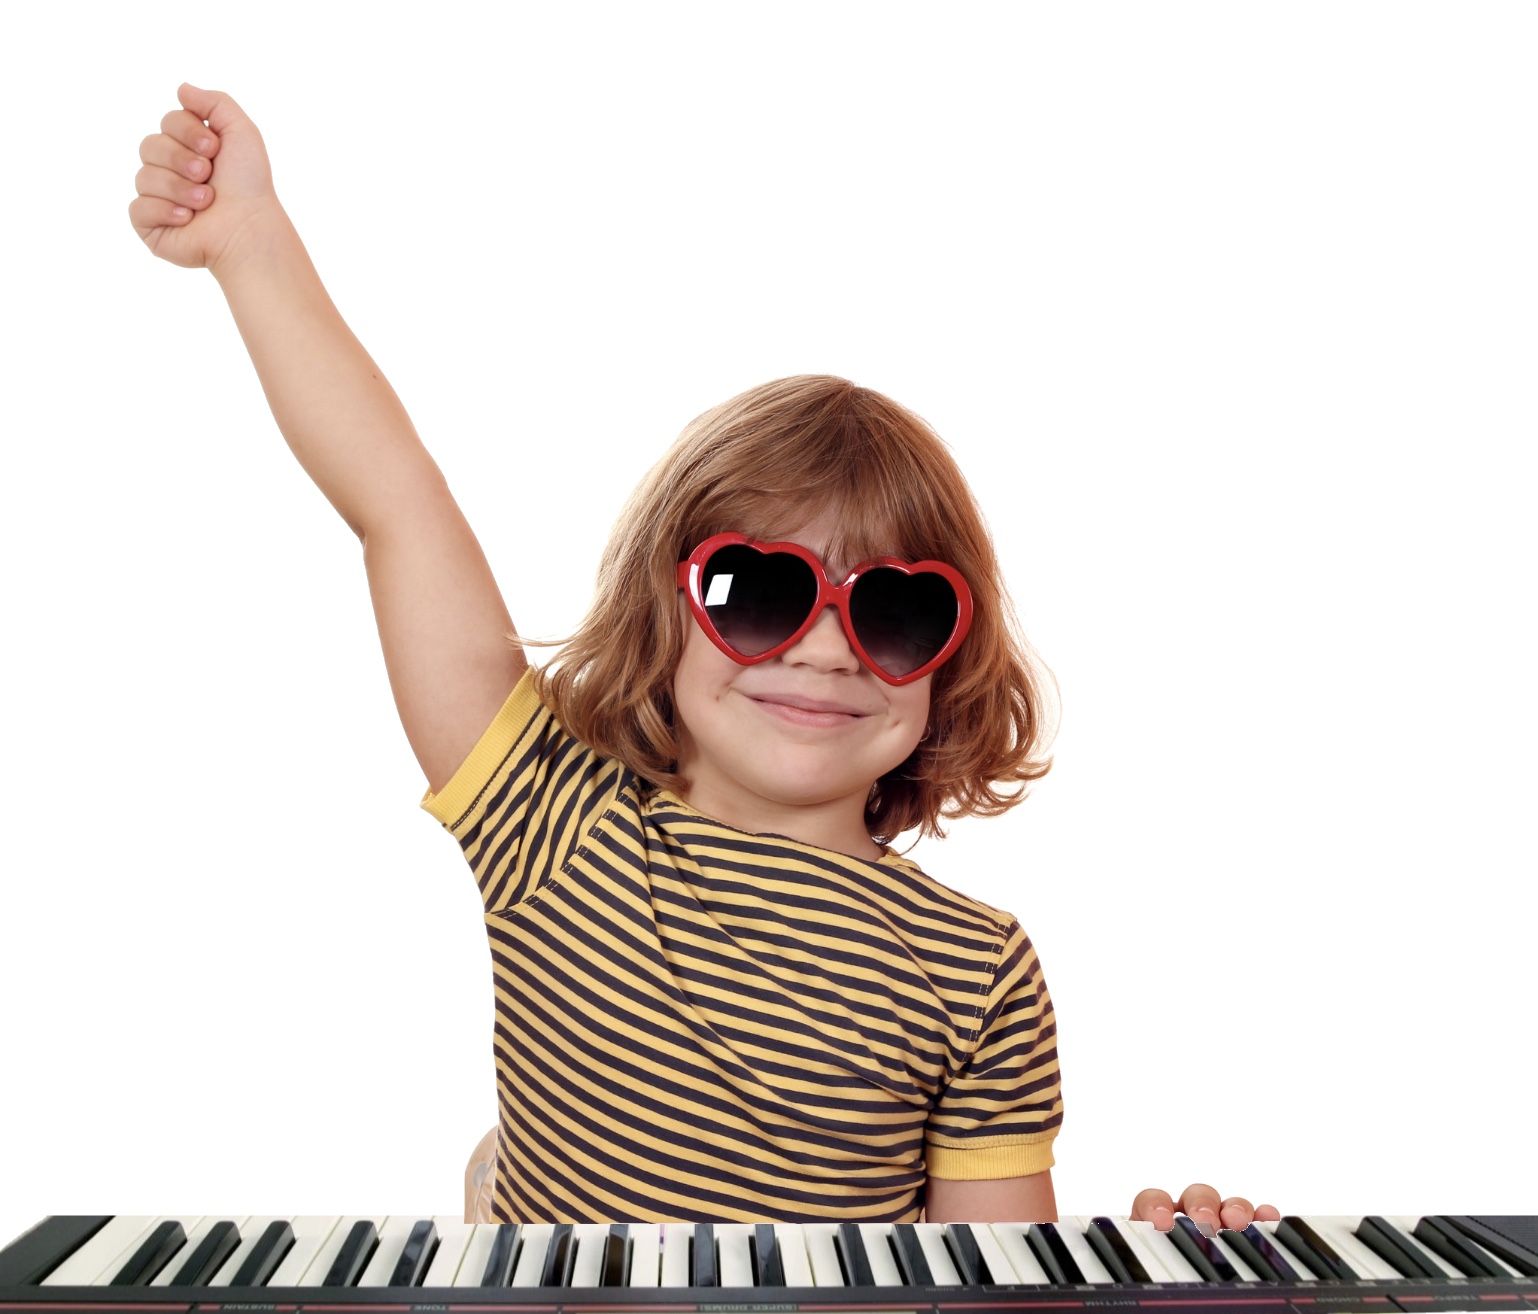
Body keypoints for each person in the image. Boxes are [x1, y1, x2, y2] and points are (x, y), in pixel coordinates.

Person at [130, 80, 1279, 1234]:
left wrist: (1149, 1273)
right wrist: (252, 244)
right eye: (761, 591)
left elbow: (983, 1283)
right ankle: (494, 1189)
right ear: (663, 619)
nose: (827, 648)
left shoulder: (976, 971)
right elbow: (398, 504)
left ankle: (489, 1182)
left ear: (946, 663)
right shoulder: (552, 818)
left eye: (890, 613)